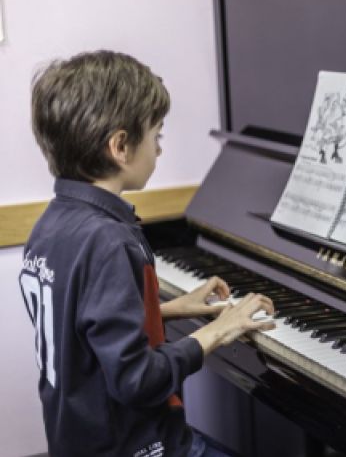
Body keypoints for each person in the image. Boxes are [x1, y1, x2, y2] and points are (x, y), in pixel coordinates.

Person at [19, 51, 275, 457]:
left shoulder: (53, 224)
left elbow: (84, 320)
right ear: (120, 146)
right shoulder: (109, 240)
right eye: (156, 136)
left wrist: (167, 308)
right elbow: (136, 380)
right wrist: (218, 331)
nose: (159, 150)